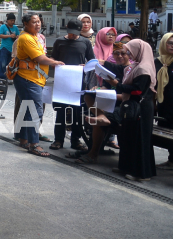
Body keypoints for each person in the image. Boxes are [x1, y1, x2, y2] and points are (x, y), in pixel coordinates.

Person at [82, 40, 157, 181]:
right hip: (131, 107)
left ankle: (140, 173)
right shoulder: (136, 66)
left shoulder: (144, 69)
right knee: (127, 137)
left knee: (139, 140)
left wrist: (116, 84)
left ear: (140, 51)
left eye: (129, 51)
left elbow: (137, 91)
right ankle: (125, 166)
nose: (128, 54)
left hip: (140, 108)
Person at [14, 13, 64, 156]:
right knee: (35, 111)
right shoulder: (26, 38)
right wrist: (55, 62)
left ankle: (24, 140)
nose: (38, 24)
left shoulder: (36, 37)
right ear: (25, 23)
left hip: (34, 78)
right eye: (34, 22)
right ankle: (34, 144)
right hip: (28, 79)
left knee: (27, 109)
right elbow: (39, 58)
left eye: (39, 21)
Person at [49, 18, 95, 152]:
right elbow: (53, 58)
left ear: (80, 30)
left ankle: (75, 140)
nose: (72, 35)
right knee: (60, 112)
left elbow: (92, 61)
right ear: (66, 29)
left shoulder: (85, 42)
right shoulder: (59, 41)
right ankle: (58, 140)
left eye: (75, 33)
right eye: (70, 32)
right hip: (62, 82)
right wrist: (55, 63)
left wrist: (85, 66)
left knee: (77, 113)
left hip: (78, 82)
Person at [155, 32, 173, 170]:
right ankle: (171, 159)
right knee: (166, 129)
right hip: (163, 102)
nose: (172, 46)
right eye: (170, 43)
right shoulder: (158, 61)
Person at [0, 14, 20, 81]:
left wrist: (17, 37)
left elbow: (18, 35)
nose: (13, 22)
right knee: (2, 64)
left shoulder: (15, 28)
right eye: (11, 20)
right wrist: (9, 36)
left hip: (12, 49)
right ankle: (1, 78)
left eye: (14, 20)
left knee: (10, 64)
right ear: (8, 20)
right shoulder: (3, 27)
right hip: (4, 48)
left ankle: (9, 77)